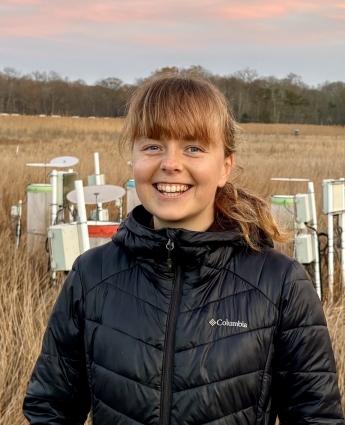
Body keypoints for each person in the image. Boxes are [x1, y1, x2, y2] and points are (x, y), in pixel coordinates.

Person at [23, 73, 344, 425]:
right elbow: (49, 410)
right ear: (133, 157)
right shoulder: (91, 275)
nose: (170, 163)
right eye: (152, 146)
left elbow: (317, 418)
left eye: (193, 147)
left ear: (225, 166)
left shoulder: (279, 282)